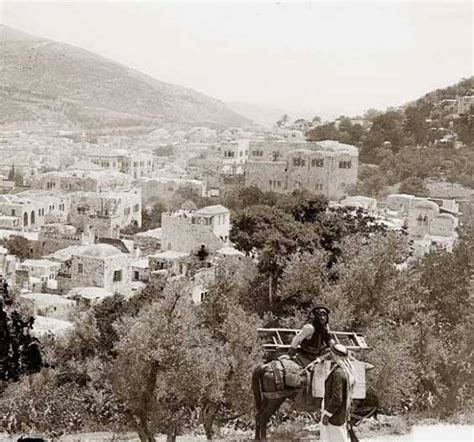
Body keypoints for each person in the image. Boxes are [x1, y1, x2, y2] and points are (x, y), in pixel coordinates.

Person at [321, 343, 356, 442]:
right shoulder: (347, 370)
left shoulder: (337, 373)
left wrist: (327, 415)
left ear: (335, 355)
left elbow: (337, 398)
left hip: (334, 417)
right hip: (341, 414)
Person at [288, 303, 333, 367]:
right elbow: (296, 340)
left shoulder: (325, 329)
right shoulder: (310, 327)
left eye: (324, 315)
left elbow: (330, 341)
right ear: (315, 316)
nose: (322, 318)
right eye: (320, 315)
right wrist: (291, 353)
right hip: (306, 356)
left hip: (319, 356)